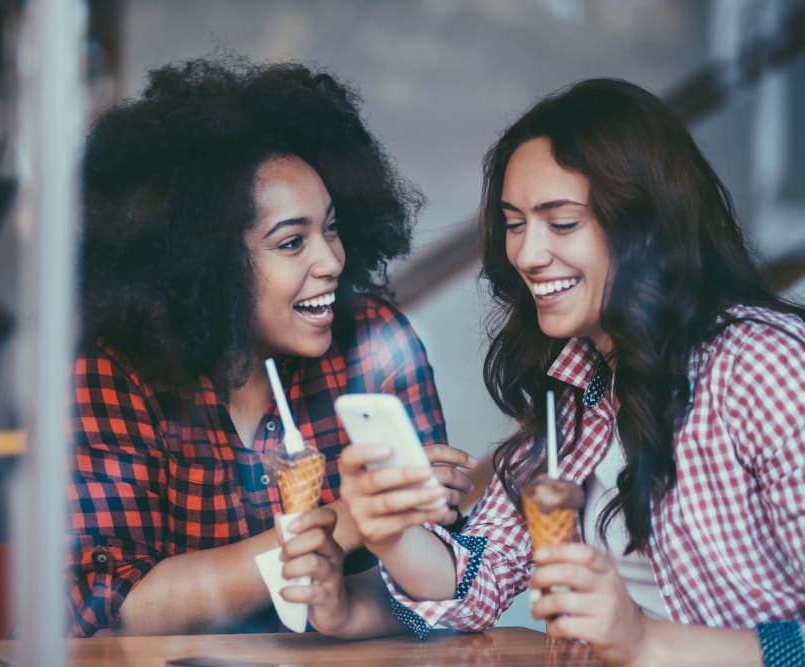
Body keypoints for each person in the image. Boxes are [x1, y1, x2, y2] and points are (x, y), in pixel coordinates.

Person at [292, 78, 805, 666]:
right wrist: (390, 531)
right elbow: (480, 578)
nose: (528, 255)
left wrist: (643, 641)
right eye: (515, 224)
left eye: (561, 223)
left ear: (647, 225)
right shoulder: (580, 385)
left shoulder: (762, 367)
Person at [66, 55, 476, 637]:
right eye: (291, 243)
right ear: (205, 262)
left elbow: (437, 592)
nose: (331, 260)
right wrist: (349, 522)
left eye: (331, 228)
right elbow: (124, 603)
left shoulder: (375, 346)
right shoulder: (117, 371)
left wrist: (419, 519)